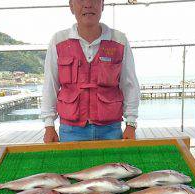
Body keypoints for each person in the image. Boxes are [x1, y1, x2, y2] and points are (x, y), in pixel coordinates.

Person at [41, 0, 140, 143]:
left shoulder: (119, 41)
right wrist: (49, 125)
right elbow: (50, 85)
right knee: (74, 166)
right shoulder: (58, 41)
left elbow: (130, 85)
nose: (88, 4)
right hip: (70, 130)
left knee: (114, 166)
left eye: (94, 0)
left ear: (102, 4)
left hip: (111, 129)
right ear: (71, 6)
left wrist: (131, 123)